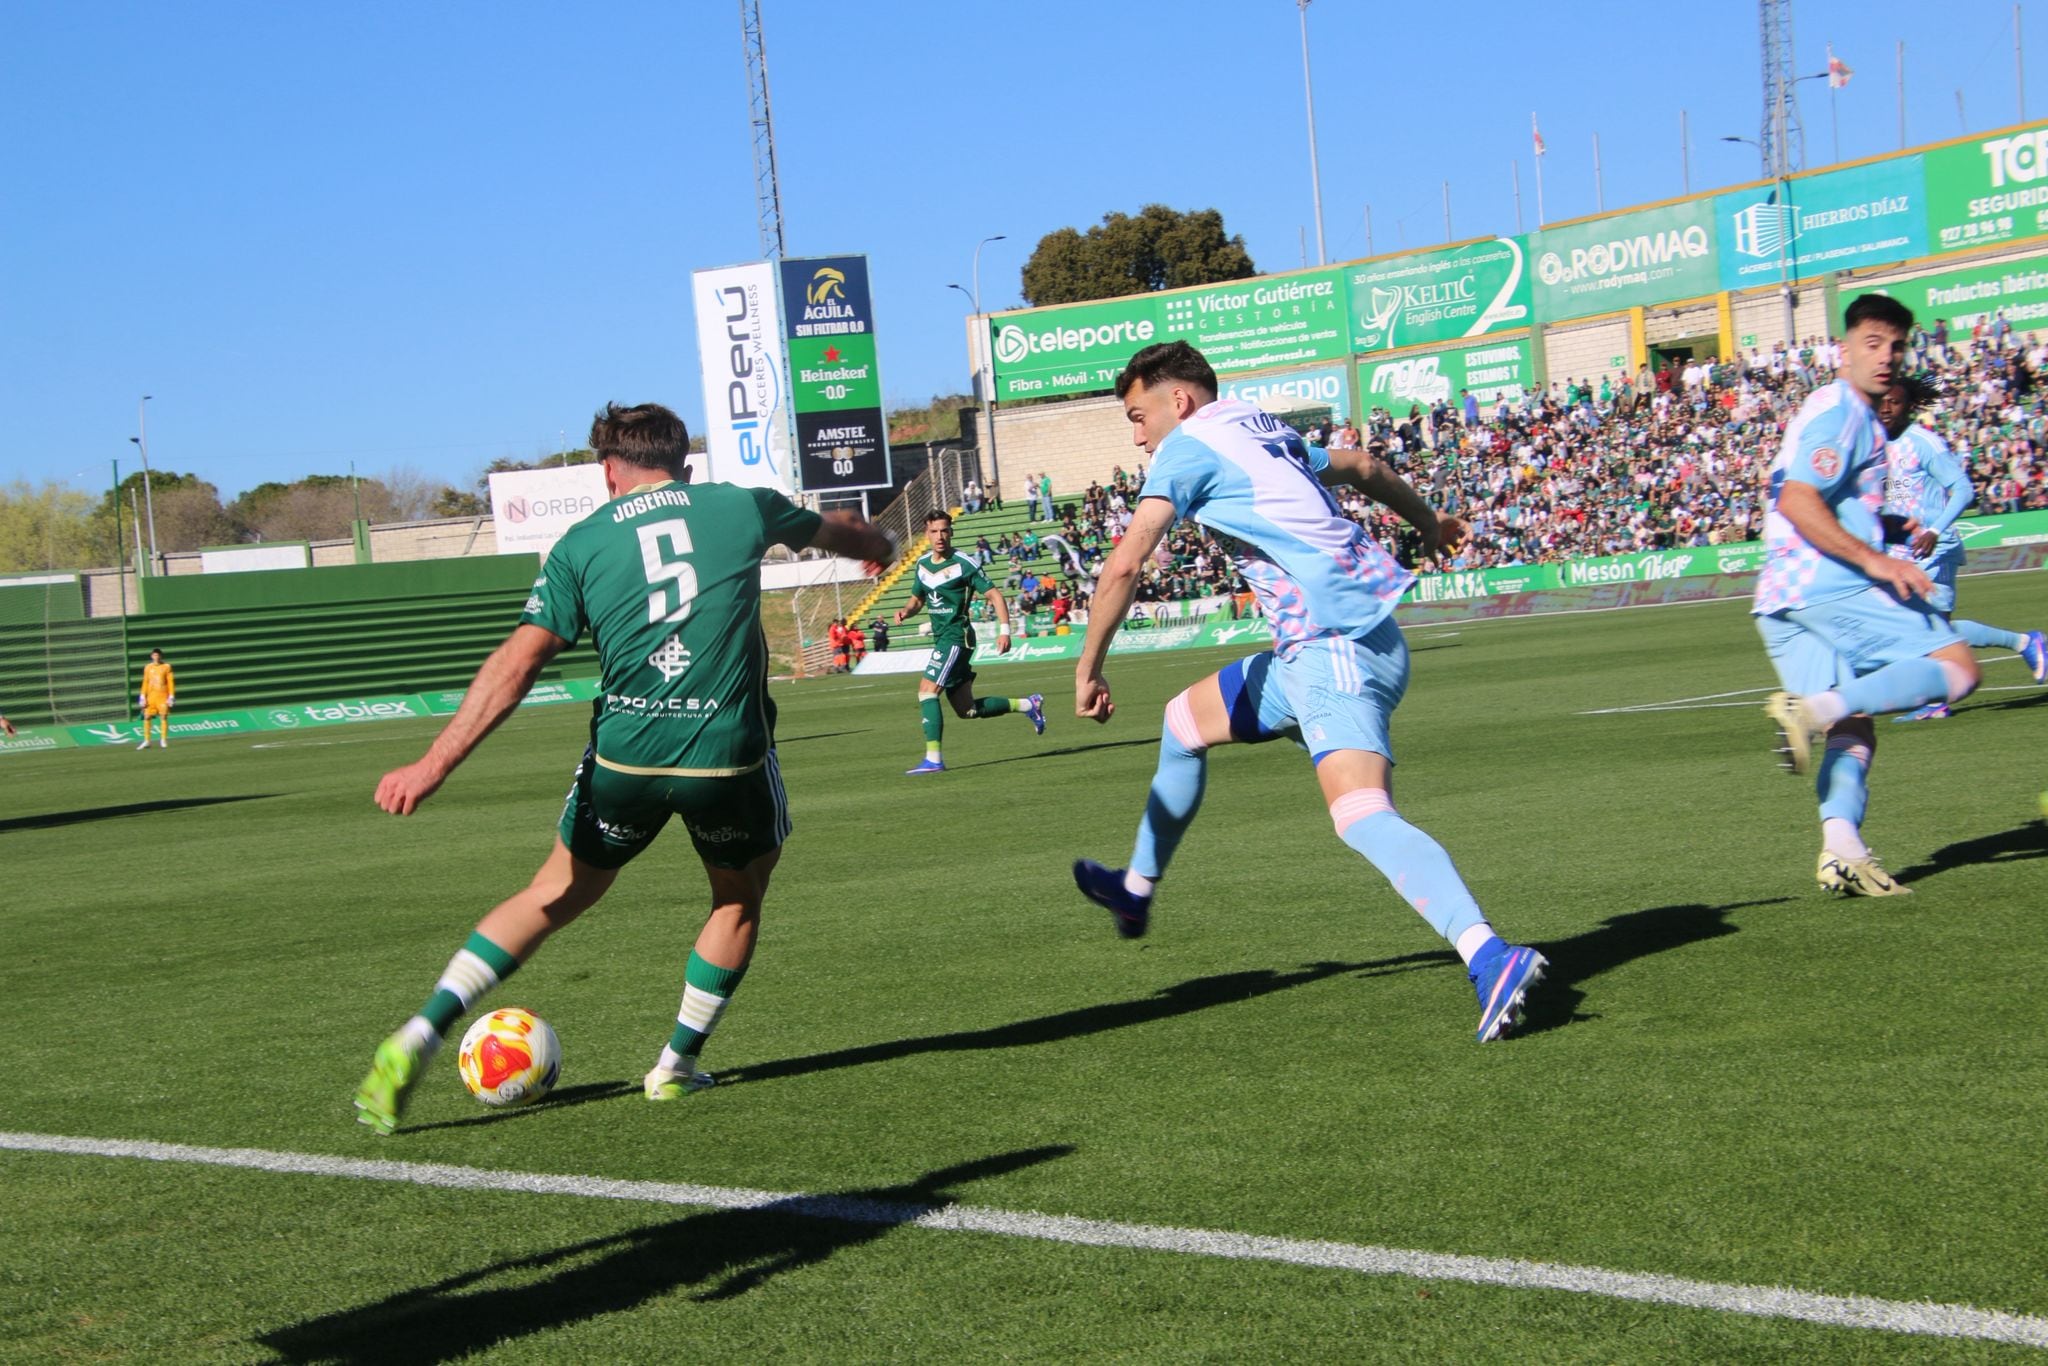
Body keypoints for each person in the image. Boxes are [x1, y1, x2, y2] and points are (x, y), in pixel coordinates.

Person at [350, 402, 894, 1134]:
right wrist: (881, 543)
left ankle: (422, 1029)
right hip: (724, 758)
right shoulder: (741, 505)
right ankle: (674, 1067)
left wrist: (433, 763)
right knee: (737, 898)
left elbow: (519, 660)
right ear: (686, 464)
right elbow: (845, 532)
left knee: (553, 892)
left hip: (624, 758)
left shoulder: (578, 545)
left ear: (609, 470)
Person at [1071, 340, 1548, 1044]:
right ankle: (1135, 892)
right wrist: (1428, 523)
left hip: (1335, 646)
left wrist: (1088, 667)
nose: (1136, 435)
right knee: (1184, 723)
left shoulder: (1190, 445)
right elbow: (1365, 467)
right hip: (1321, 649)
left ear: (1179, 401)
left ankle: (1490, 956)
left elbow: (1125, 564)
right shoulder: (1256, 425)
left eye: (1138, 416)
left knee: (1359, 814)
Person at [1755, 296, 1982, 898]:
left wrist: (1885, 528)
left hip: (1778, 596)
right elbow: (1798, 499)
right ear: (1845, 347)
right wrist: (1875, 558)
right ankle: (1808, 710)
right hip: (1825, 581)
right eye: (1873, 343)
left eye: (1897, 346)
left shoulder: (1826, 408)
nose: (1886, 357)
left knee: (1856, 729)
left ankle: (1842, 851)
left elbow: (1816, 497)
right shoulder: (1848, 416)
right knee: (1957, 671)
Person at [1877, 373, 2046, 722]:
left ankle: (1938, 699)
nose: (1886, 408)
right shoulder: (1875, 445)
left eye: (1895, 402)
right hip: (1901, 552)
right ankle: (2026, 643)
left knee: (1928, 630)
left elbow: (1964, 489)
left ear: (1909, 406)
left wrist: (1935, 530)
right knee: (1926, 630)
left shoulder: (1924, 443)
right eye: (1882, 401)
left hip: (1934, 549)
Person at [895, 508, 1046, 775]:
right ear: (926, 534)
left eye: (944, 530)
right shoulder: (922, 565)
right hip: (942, 639)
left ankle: (933, 759)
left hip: (957, 637)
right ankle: (1028, 704)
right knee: (967, 710)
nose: (940, 536)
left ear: (951, 532)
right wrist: (906, 611)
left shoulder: (964, 563)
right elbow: (918, 599)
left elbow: (996, 596)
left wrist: (1004, 631)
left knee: (927, 690)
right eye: (934, 531)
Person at [137, 648, 175, 749]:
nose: (156, 657)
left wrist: (171, 696)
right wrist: (142, 696)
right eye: (154, 655)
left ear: (161, 656)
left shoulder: (166, 667)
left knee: (163, 716)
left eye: (158, 655)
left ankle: (163, 739)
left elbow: (170, 681)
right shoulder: (148, 667)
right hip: (151, 696)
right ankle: (147, 740)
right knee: (147, 716)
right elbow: (145, 682)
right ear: (151, 656)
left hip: (162, 696)